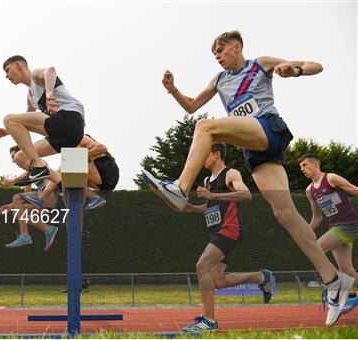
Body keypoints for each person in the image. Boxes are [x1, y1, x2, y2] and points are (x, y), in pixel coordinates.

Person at [142, 30, 354, 326]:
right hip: (255, 152)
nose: (217, 55)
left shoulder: (260, 64)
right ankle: (334, 281)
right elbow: (191, 106)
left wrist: (292, 70)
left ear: (237, 47)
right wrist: (173, 89)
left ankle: (180, 187)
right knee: (285, 214)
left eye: (221, 49)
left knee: (206, 127)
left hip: (267, 128)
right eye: (213, 52)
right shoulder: (218, 80)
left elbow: (314, 65)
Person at [180, 143, 272, 332]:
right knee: (217, 281)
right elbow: (211, 206)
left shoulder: (231, 174)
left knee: (202, 265)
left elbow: (246, 195)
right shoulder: (207, 180)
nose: (201, 158)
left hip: (230, 229)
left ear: (216, 154)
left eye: (204, 153)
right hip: (215, 232)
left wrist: (212, 195)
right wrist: (193, 209)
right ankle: (260, 277)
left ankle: (209, 319)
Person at [0, 55, 85, 186]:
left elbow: (50, 70)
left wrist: (49, 93)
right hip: (66, 137)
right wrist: (7, 131)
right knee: (20, 157)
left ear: (18, 65)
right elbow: (27, 119)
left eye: (7, 70)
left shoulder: (35, 76)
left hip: (70, 119)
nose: (6, 76)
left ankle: (38, 166)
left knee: (9, 119)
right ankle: (60, 184)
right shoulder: (30, 97)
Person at [299, 153, 358, 314]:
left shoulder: (331, 178)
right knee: (347, 270)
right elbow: (317, 218)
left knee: (316, 248)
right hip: (335, 228)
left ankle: (337, 289)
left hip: (349, 224)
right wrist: (304, 233)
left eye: (305, 165)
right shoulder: (310, 190)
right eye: (300, 167)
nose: (302, 169)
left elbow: (354, 190)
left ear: (315, 165)